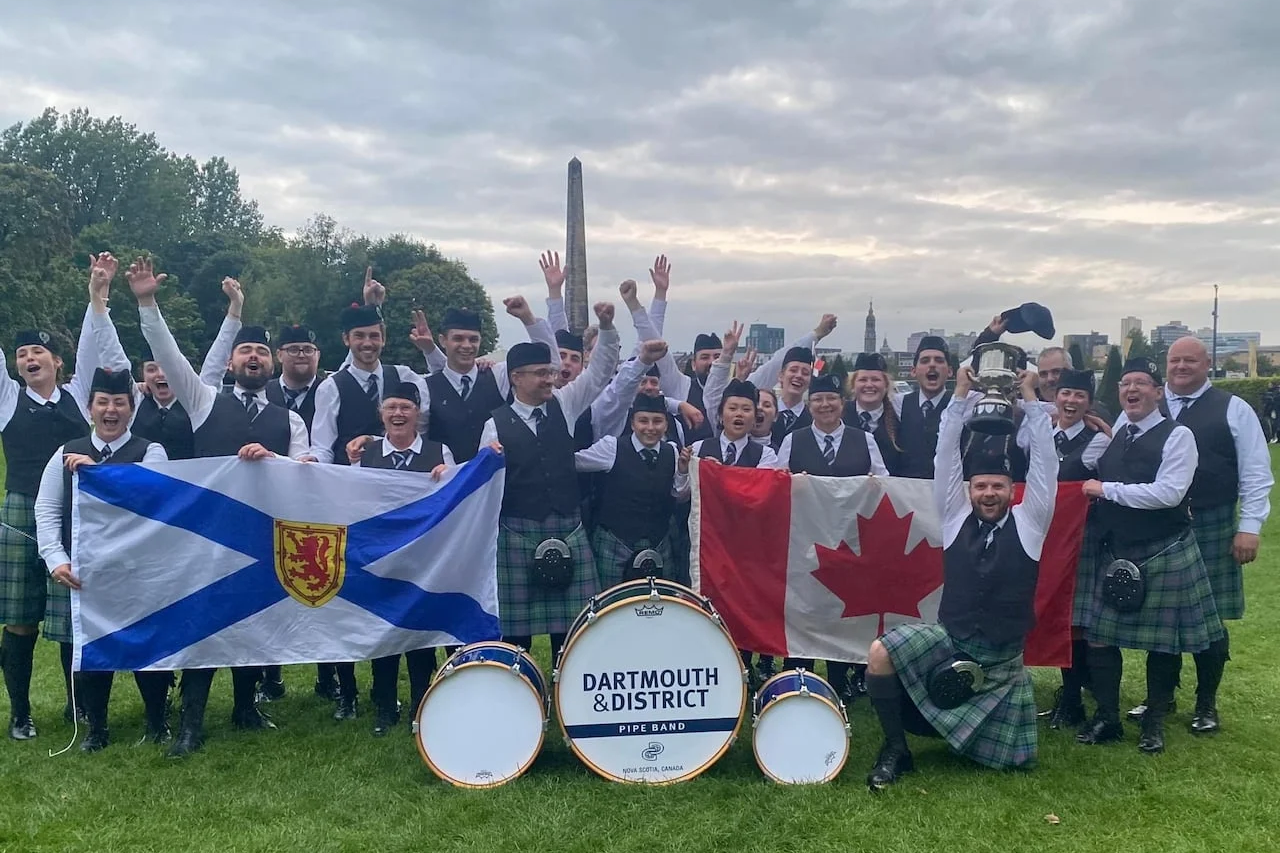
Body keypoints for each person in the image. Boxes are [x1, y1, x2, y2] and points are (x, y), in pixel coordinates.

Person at [130, 256, 309, 757]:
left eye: (260, 352)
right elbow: (166, 354)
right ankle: (190, 723)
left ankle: (246, 707)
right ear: (230, 362)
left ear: (270, 364)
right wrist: (147, 303)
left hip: (262, 534)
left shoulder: (287, 420)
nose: (253, 357)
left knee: (252, 621)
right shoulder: (203, 401)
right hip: (207, 535)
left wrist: (273, 458)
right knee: (203, 625)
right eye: (244, 351)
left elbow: (308, 467)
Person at [865, 364, 1056, 790]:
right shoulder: (954, 517)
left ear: (1012, 490)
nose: (989, 494)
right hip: (951, 641)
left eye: (998, 487)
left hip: (1002, 661)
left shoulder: (1031, 525)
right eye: (981, 486)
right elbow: (945, 459)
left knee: (1012, 763)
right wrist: (960, 396)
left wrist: (1031, 398)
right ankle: (896, 748)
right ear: (969, 489)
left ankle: (963, 728)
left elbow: (1046, 467)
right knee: (880, 652)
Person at [1, 253, 125, 740]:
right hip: (18, 516)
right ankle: (20, 713)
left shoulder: (79, 395)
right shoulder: (8, 399)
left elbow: (96, 343)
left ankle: (78, 709)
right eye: (22, 354)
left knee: (70, 617)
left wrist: (98, 296)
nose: (30, 360)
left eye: (39, 353)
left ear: (58, 362)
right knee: (19, 620)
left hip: (73, 515)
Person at [1076, 357, 1225, 754]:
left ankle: (1154, 723)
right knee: (1100, 639)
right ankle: (1107, 717)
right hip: (1115, 549)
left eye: (1141, 383)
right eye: (1125, 384)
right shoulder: (1118, 432)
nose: (1131, 389)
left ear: (1159, 393)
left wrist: (1106, 489)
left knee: (1164, 645)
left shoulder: (1179, 436)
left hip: (1163, 550)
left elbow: (1169, 493)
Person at [1122, 337, 1271, 733]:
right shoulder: (1146, 404)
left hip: (1212, 523)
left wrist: (1249, 528)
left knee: (1210, 620)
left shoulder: (1233, 408)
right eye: (1174, 360)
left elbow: (1256, 473)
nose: (1181, 367)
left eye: (1190, 360)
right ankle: (1161, 698)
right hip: (1159, 527)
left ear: (1208, 364)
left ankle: (1206, 704)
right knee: (1159, 617)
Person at [34, 368, 170, 751]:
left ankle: (158, 722)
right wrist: (55, 559)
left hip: (137, 569)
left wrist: (101, 474)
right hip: (83, 572)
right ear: (91, 408)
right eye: (103, 402)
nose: (111, 410)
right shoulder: (64, 452)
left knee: (147, 645)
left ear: (131, 408)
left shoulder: (150, 451)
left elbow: (152, 499)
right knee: (92, 650)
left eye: (120, 403)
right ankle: (96, 728)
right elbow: (46, 510)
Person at [480, 301, 621, 664]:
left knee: (572, 630)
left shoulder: (566, 403)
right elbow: (482, 486)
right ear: (516, 377)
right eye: (541, 373)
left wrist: (606, 328)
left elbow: (602, 370)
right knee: (515, 633)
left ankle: (567, 695)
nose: (551, 378)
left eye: (550, 371)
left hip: (567, 528)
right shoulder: (494, 426)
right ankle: (518, 692)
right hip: (516, 531)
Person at [347, 381, 455, 735]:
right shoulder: (367, 455)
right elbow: (355, 502)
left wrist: (448, 478)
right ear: (381, 413)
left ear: (418, 414)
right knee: (385, 633)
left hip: (424, 560)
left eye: (405, 407)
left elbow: (457, 500)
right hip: (382, 559)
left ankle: (421, 705)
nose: (398, 414)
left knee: (419, 636)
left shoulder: (441, 453)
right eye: (391, 407)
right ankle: (384, 707)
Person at [775, 372, 889, 699]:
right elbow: (775, 487)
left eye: (831, 400)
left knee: (842, 615)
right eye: (818, 400)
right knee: (804, 614)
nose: (825, 405)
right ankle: (796, 682)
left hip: (849, 544)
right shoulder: (792, 441)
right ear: (809, 405)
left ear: (843, 404)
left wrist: (871, 485)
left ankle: (839, 686)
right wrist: (794, 484)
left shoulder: (864, 439)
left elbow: (886, 483)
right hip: (805, 546)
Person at [1041, 369, 1112, 730]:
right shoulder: (1043, 432)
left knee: (1077, 622)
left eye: (1079, 396)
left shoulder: (1098, 440)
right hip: (1047, 540)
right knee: (1059, 617)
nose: (1070, 401)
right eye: (1066, 393)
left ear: (1089, 401)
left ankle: (1076, 699)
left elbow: (1078, 474)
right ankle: (1072, 696)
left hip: (1082, 538)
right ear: (1056, 395)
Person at [574, 385, 690, 588]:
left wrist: (681, 470)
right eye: (643, 421)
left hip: (659, 542)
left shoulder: (671, 451)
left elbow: (679, 495)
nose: (650, 428)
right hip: (615, 542)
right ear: (633, 423)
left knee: (659, 606)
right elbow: (575, 463)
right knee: (609, 607)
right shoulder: (611, 447)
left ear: (666, 425)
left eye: (657, 421)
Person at [896, 336, 954, 478]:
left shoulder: (959, 404)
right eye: (925, 360)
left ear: (950, 371)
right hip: (908, 493)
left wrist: (990, 334)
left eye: (939, 360)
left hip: (948, 493)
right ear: (914, 371)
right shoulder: (899, 404)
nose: (932, 365)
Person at [842, 352, 904, 475]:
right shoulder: (840, 416)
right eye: (863, 379)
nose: (869, 385)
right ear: (853, 385)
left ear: (886, 385)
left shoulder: (899, 419)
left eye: (875, 379)